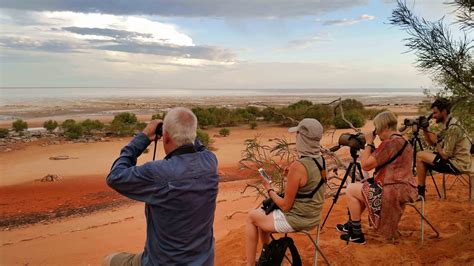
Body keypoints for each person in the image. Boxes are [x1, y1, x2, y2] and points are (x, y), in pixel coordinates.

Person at [102, 107, 219, 266]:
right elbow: (196, 146)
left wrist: (143, 137)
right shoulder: (210, 162)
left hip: (161, 262)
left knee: (109, 260)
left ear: (166, 137)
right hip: (204, 261)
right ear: (193, 134)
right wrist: (185, 132)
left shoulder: (157, 172)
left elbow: (115, 177)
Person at [245, 118, 326, 265]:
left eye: (297, 135)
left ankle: (250, 264)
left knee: (252, 216)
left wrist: (268, 188)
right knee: (262, 217)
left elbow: (285, 206)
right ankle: (269, 259)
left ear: (302, 138)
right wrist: (291, 177)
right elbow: (309, 185)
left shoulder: (299, 166)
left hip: (298, 219)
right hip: (314, 216)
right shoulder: (320, 160)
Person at [336, 111, 417, 244]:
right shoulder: (403, 141)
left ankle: (356, 234)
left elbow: (365, 166)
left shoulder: (389, 143)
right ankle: (351, 224)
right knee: (363, 188)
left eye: (377, 129)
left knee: (351, 189)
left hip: (391, 191)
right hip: (406, 188)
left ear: (384, 127)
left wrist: (368, 143)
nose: (377, 133)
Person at [416, 98, 472, 198]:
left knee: (420, 155)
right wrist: (425, 129)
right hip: (455, 160)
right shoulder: (449, 124)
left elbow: (445, 155)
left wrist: (437, 141)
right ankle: (421, 193)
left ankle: (420, 194)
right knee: (425, 153)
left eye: (435, 113)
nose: (433, 116)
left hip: (458, 165)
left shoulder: (453, 128)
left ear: (444, 111)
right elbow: (432, 144)